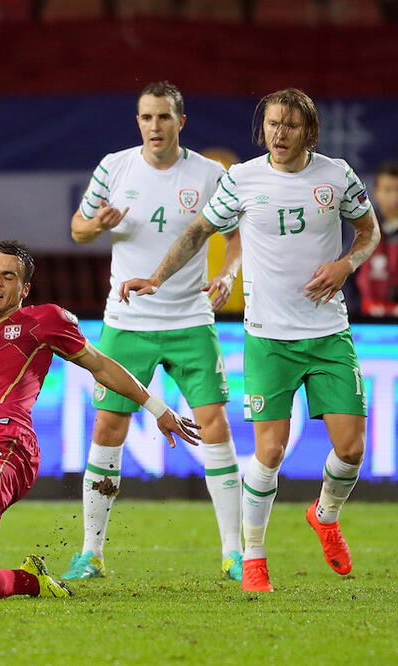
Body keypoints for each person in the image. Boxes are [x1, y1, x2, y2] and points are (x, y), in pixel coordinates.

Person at [120, 88, 381, 593]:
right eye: (272, 125)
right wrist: (156, 277)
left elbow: (369, 231)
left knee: (351, 450)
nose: (279, 135)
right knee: (271, 451)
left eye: (290, 126)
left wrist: (346, 263)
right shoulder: (241, 179)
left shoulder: (336, 175)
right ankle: (254, 557)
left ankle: (325, 516)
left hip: (328, 332)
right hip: (268, 339)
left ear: (310, 131)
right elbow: (199, 231)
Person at [0, 241, 202, 602]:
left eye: (8, 277)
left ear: (24, 290)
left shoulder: (43, 321)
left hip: (4, 439)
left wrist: (157, 408)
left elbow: (100, 365)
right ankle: (29, 580)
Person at [66, 81, 244, 582]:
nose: (154, 126)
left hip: (190, 319)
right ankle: (91, 554)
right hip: (127, 321)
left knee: (215, 426)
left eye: (163, 117)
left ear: (180, 122)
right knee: (107, 428)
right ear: (138, 121)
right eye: (146, 117)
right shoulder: (114, 166)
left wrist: (228, 274)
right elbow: (77, 229)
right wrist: (97, 223)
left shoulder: (211, 174)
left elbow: (235, 238)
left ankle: (233, 554)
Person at [356, 161, 398, 316]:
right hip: (366, 320)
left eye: (397, 190)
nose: (394, 196)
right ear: (376, 192)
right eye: (387, 190)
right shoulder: (361, 229)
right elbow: (347, 273)